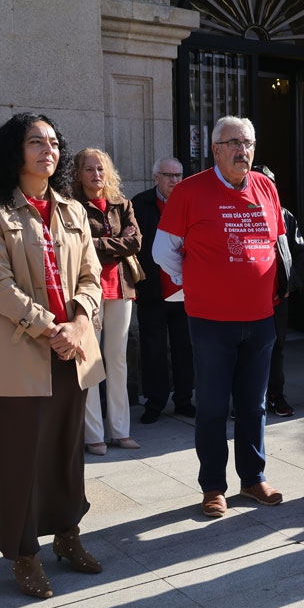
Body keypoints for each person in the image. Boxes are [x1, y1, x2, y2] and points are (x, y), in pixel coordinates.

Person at [0, 113, 106, 598]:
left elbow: (91, 277)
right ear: (16, 151)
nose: (47, 149)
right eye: (35, 141)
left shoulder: (72, 209)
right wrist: (51, 327)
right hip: (19, 352)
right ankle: (24, 553)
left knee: (67, 452)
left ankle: (67, 536)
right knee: (21, 459)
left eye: (53, 142)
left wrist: (77, 322)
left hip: (72, 351)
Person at [153, 115, 286, 518]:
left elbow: (277, 241)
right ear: (215, 149)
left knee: (254, 404)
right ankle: (213, 485)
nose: (242, 150)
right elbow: (163, 251)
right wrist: (193, 282)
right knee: (212, 406)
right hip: (210, 319)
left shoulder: (266, 188)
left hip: (261, 317)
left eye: (247, 142)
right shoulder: (190, 191)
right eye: (233, 143)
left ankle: (253, 478)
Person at [72, 148, 141, 454]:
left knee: (118, 360)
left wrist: (98, 243)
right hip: (88, 290)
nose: (96, 174)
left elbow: (135, 241)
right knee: (89, 362)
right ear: (78, 173)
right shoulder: (72, 207)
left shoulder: (121, 203)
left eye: (100, 169)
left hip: (121, 289)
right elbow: (78, 245)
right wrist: (114, 244)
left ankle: (120, 430)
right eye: (89, 169)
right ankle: (93, 434)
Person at [132, 158, 195, 424]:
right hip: (153, 290)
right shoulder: (139, 203)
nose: (173, 180)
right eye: (167, 175)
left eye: (178, 175)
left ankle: (183, 400)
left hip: (186, 291)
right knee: (153, 349)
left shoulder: (190, 202)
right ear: (155, 176)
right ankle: (155, 402)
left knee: (185, 348)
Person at [253, 165, 304, 416]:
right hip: (247, 296)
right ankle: (247, 399)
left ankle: (275, 395)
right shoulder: (239, 211)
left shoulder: (285, 215)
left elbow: (298, 253)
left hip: (276, 295)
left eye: (269, 182)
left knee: (277, 347)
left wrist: (288, 285)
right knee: (246, 349)